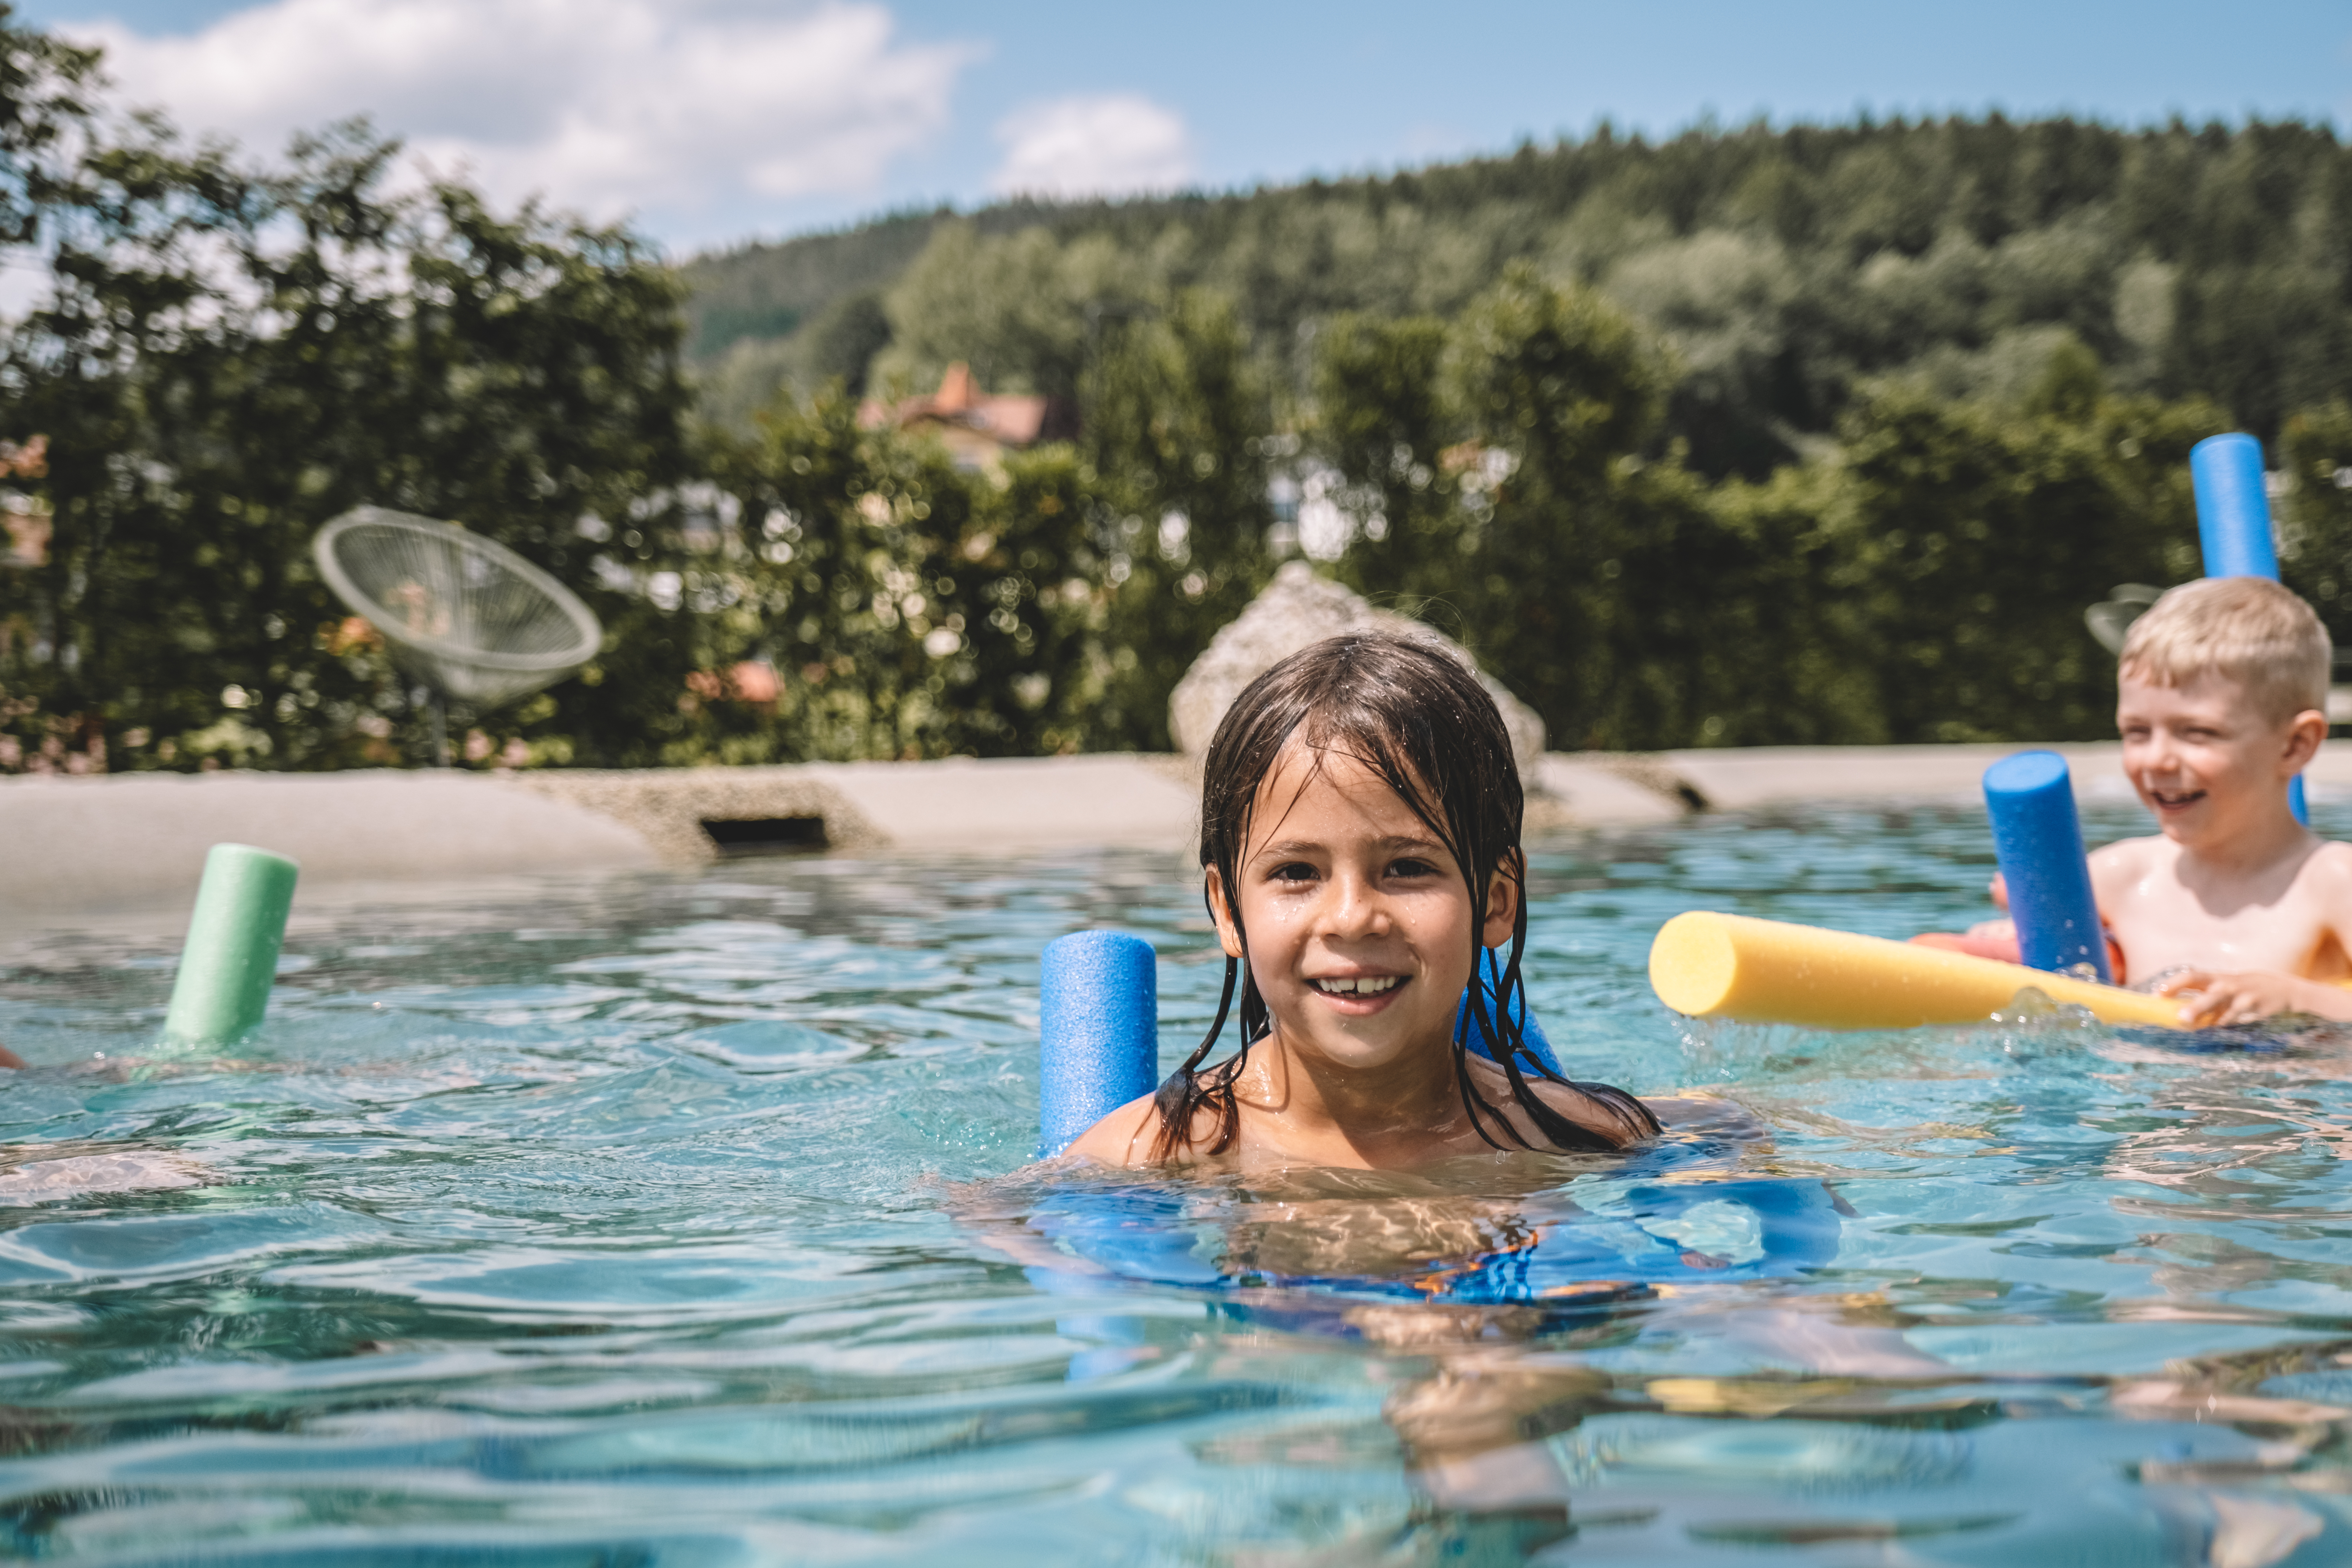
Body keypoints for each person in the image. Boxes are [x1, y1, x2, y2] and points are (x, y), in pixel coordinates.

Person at [1060, 631, 1662, 1169]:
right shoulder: (1144, 1158)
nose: (1351, 918)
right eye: (1296, 872)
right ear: (1228, 911)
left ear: (1498, 899)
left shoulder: (1580, 1137)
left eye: (1406, 868)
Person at [1952, 577, 2352, 1027]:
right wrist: (2010, 936)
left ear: (2295, 745)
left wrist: (2295, 995)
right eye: (2137, 732)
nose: (2156, 759)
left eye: (2198, 732)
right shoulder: (2121, 877)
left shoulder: (2332, 882)